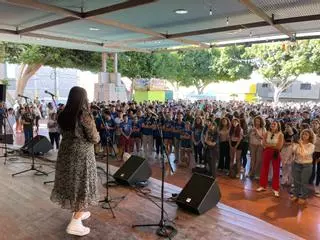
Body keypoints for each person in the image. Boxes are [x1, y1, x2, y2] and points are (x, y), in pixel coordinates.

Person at [50, 87, 100, 237]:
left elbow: (61, 132)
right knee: (81, 185)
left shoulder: (63, 114)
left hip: (66, 154)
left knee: (73, 184)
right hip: (82, 156)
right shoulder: (84, 115)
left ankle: (79, 212)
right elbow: (94, 138)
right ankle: (76, 222)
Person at [257, 121, 284, 197]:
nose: (272, 125)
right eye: (272, 124)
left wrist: (269, 146)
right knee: (264, 168)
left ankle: (275, 188)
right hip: (267, 152)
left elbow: (279, 146)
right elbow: (263, 143)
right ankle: (262, 186)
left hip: (276, 152)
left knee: (276, 170)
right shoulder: (267, 133)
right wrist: (272, 145)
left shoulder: (280, 135)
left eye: (274, 124)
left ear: (278, 126)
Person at [291, 129, 315, 205]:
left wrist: (301, 145)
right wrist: (294, 145)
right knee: (296, 181)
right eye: (303, 134)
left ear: (310, 136)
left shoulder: (311, 146)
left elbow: (305, 154)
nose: (304, 136)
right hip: (297, 164)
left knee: (304, 182)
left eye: (306, 134)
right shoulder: (297, 144)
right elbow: (294, 151)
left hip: (306, 165)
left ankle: (304, 197)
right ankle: (295, 195)